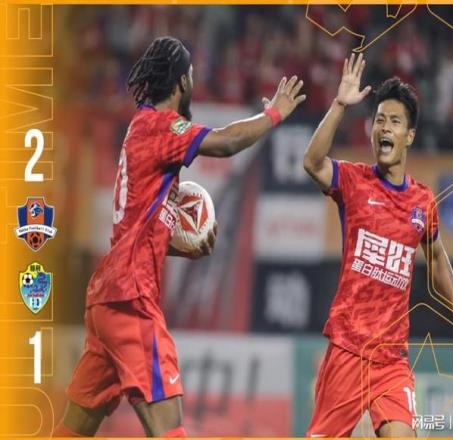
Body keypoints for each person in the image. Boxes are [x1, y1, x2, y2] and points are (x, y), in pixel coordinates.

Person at [53, 36, 305, 438]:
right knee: (168, 426)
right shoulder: (159, 125)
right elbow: (225, 142)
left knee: (75, 428)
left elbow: (137, 226)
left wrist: (176, 246)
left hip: (106, 299)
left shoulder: (139, 130)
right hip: (132, 299)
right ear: (183, 81)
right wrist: (274, 114)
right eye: (192, 75)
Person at [303, 52, 453, 437]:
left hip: (391, 359)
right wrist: (339, 104)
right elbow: (312, 163)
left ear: (409, 136)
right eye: (379, 120)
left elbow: (436, 256)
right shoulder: (353, 182)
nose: (384, 127)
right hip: (348, 349)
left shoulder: (422, 201)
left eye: (394, 121)